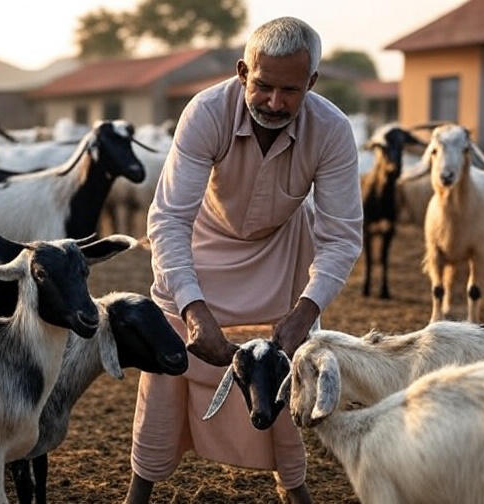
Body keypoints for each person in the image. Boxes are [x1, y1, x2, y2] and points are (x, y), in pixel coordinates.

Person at [126, 17, 363, 504]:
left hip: (282, 254)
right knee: (167, 371)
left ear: (312, 83)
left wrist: (307, 310)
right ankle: (139, 490)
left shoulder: (333, 130)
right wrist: (192, 309)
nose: (275, 103)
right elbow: (169, 218)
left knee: (283, 369)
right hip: (201, 246)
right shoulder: (206, 113)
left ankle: (293, 487)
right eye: (263, 85)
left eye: (290, 90)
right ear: (242, 72)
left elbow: (341, 236)